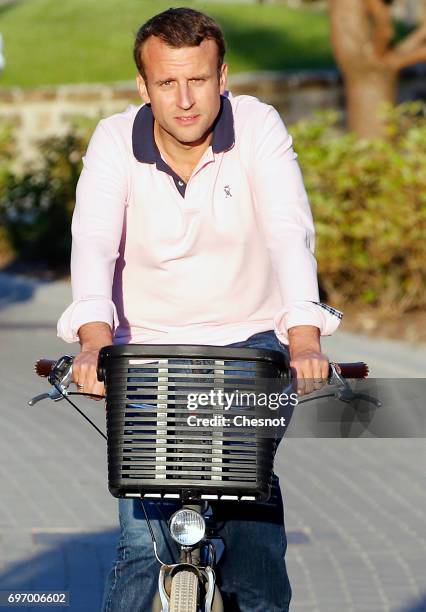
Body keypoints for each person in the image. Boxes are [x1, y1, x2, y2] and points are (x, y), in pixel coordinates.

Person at [57, 7, 342, 611]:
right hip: (145, 351)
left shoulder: (259, 126)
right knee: (141, 540)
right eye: (167, 83)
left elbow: (291, 234)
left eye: (199, 81)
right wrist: (91, 339)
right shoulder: (114, 141)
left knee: (251, 528)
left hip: (249, 346)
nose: (185, 101)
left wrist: (305, 339)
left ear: (223, 77)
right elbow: (93, 243)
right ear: (143, 86)